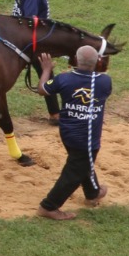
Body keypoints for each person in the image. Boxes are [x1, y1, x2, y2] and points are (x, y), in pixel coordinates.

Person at [35, 47, 111, 220]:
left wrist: (46, 70)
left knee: (82, 163)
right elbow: (99, 86)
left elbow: (42, 89)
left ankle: (93, 193)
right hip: (87, 136)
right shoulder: (105, 82)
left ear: (75, 61)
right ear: (98, 62)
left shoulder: (63, 79)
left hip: (67, 133)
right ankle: (49, 206)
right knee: (74, 172)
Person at [16, 0, 60, 123]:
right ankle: (55, 114)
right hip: (32, 40)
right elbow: (31, 21)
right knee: (46, 72)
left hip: (17, 35)